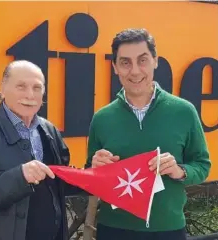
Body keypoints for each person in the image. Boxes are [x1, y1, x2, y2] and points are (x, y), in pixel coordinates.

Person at [85, 28, 211, 240]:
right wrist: (94, 168)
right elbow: (90, 175)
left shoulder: (184, 111)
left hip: (167, 230)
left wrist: (179, 170)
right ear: (115, 67)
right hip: (113, 230)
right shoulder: (102, 118)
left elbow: (202, 165)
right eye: (125, 62)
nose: (135, 71)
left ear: (155, 61)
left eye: (142, 60)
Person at [0, 60, 79, 240]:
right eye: (21, 86)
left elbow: (59, 181)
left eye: (37, 87)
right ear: (2, 90)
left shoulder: (49, 130)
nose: (30, 94)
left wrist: (93, 173)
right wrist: (20, 176)